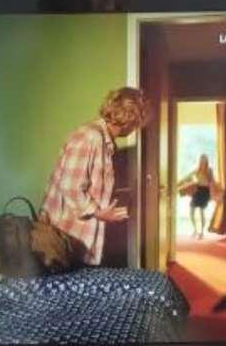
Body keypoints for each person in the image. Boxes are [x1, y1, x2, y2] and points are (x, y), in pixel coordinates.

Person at [39, 87, 150, 267]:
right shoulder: (91, 137)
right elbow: (70, 187)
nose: (136, 128)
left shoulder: (103, 140)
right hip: (65, 233)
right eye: (137, 123)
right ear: (131, 119)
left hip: (75, 235)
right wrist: (99, 213)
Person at [179, 153, 216, 238]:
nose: (203, 161)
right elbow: (187, 176)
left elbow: (212, 182)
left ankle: (202, 232)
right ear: (200, 161)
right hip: (198, 190)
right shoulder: (197, 170)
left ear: (206, 161)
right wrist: (180, 182)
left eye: (204, 160)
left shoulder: (209, 170)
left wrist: (212, 194)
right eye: (202, 159)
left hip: (205, 191)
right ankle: (195, 230)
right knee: (191, 210)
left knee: (201, 211)